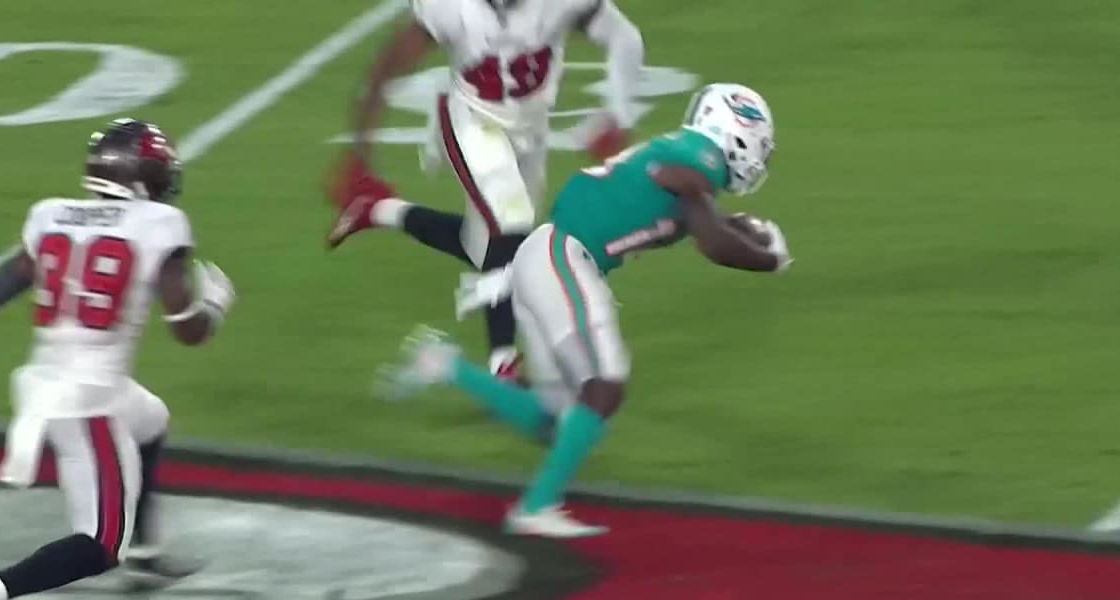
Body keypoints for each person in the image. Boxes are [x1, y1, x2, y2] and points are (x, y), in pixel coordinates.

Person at [377, 84, 792, 537]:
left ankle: (445, 365)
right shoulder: (701, 162)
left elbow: (693, 220)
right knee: (606, 387)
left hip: (547, 257)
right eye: (758, 146)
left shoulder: (685, 157)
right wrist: (769, 259)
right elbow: (711, 241)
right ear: (735, 133)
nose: (757, 159)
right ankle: (535, 508)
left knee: (561, 420)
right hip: (565, 258)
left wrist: (741, 230)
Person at [0, 118, 237, 600]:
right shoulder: (159, 223)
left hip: (54, 384)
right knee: (99, 542)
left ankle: (145, 554)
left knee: (152, 419)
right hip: (88, 403)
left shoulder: (52, 215)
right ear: (144, 176)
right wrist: (214, 305)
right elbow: (188, 333)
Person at [327, 0, 645, 381]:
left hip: (530, 129)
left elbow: (624, 38)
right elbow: (387, 68)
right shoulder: (449, 7)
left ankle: (377, 210)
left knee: (494, 249)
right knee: (511, 223)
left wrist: (618, 114)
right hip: (473, 124)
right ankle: (503, 363)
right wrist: (359, 153)